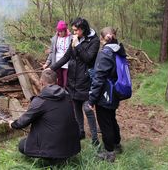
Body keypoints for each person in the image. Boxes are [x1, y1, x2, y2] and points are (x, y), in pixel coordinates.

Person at [47, 17, 100, 146]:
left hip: (86, 79)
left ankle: (94, 139)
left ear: (83, 29)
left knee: (87, 108)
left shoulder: (94, 41)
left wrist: (78, 45)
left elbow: (88, 58)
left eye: (76, 30)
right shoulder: (74, 39)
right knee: (76, 107)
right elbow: (66, 57)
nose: (74, 32)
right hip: (73, 79)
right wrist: (51, 68)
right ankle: (80, 131)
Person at [9, 69, 81, 164]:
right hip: (72, 148)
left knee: (22, 145)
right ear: (57, 80)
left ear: (41, 82)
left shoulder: (41, 101)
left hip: (53, 150)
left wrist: (12, 124)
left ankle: (52, 159)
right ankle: (60, 156)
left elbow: (22, 122)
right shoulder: (67, 96)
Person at [88, 27, 125, 162]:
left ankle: (109, 152)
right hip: (115, 91)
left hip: (105, 93)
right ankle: (117, 144)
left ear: (102, 39)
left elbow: (99, 78)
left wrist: (92, 99)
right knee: (111, 118)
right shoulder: (119, 50)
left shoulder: (105, 53)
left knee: (105, 123)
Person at [43, 20, 71, 88]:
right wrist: (47, 63)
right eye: (58, 31)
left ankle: (66, 96)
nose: (60, 33)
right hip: (56, 63)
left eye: (61, 31)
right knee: (58, 82)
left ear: (65, 30)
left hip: (67, 64)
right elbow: (52, 52)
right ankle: (58, 96)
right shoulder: (55, 39)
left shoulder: (71, 38)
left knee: (66, 83)